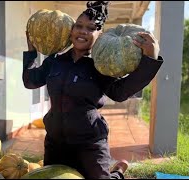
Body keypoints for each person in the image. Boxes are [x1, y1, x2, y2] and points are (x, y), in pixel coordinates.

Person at [22, 1, 163, 179]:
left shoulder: (100, 65)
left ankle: (118, 172)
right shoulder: (54, 61)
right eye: (78, 26)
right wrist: (31, 52)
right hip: (56, 142)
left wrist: (150, 59)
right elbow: (30, 81)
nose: (83, 31)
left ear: (100, 35)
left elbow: (119, 93)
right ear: (71, 30)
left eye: (90, 28)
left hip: (89, 143)